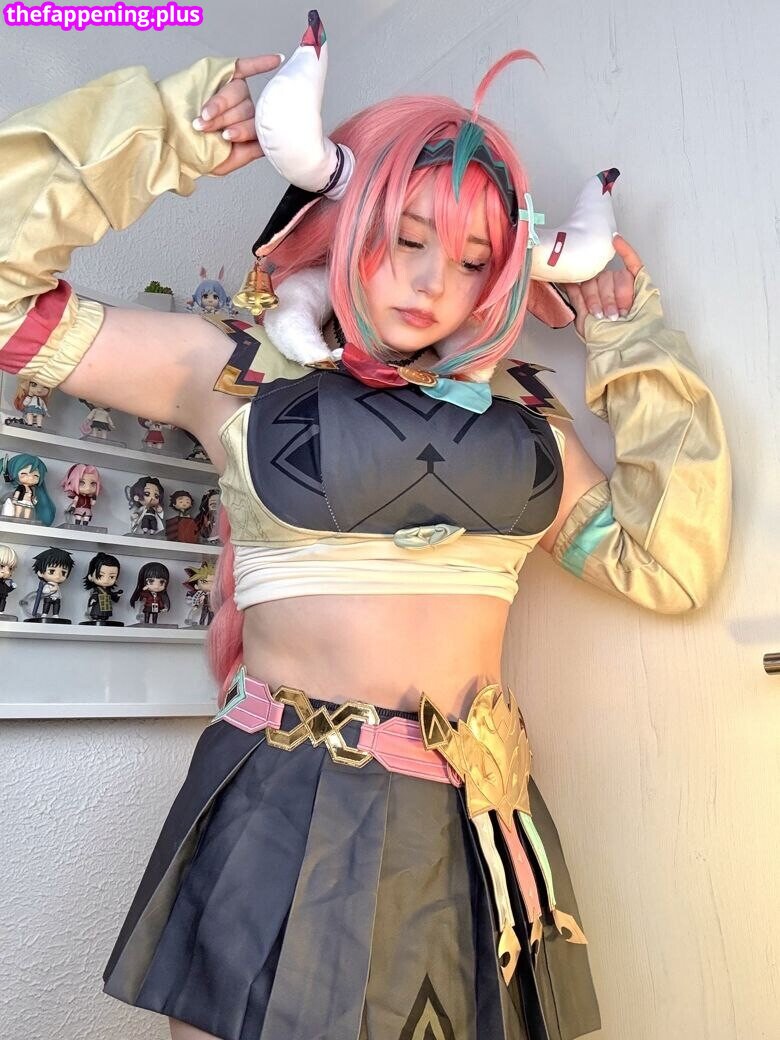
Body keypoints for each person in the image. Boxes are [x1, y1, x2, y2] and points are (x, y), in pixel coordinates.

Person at [0, 11, 732, 1040]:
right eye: (409, 238)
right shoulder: (234, 369)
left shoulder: (525, 417)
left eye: (474, 259)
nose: (433, 284)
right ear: (348, 224)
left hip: (474, 827)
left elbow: (667, 561)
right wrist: (171, 131)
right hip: (276, 805)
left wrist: (631, 340)